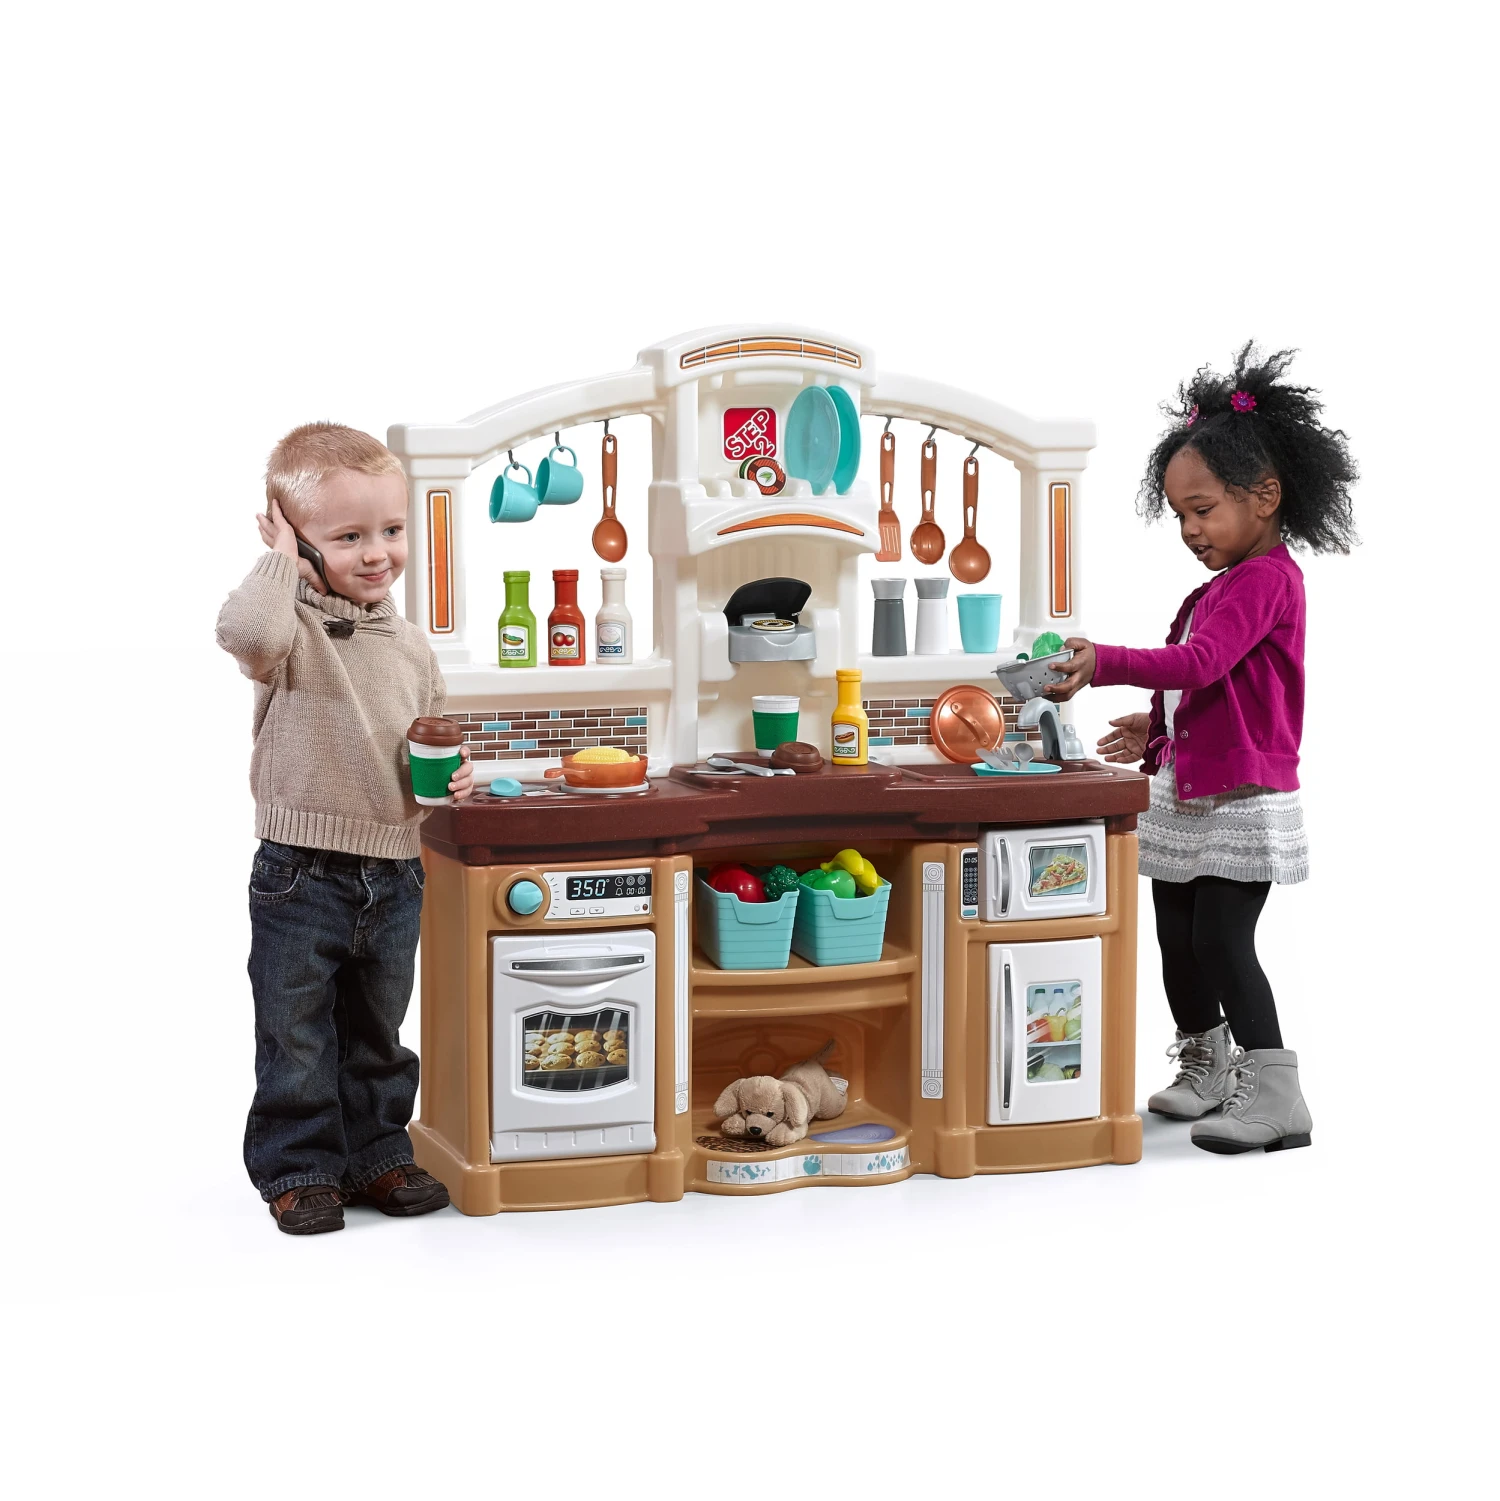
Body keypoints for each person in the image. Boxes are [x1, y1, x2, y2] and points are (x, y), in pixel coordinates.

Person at [1046, 345, 1357, 1154]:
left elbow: (1203, 663)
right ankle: (1208, 1067)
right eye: (1180, 514)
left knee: (1220, 939)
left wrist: (1106, 662)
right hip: (1191, 786)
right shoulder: (1222, 585)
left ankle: (1278, 1094)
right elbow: (1207, 689)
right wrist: (1155, 727)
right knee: (1177, 938)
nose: (1189, 529)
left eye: (1203, 509)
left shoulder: (1266, 579)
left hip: (1241, 796)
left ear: (1265, 496)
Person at [217, 422, 475, 1233]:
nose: (376, 553)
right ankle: (300, 1167)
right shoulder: (287, 625)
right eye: (347, 536)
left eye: (391, 530)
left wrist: (455, 776)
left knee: (378, 1030)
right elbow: (244, 633)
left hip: (394, 869)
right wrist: (279, 561)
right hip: (301, 871)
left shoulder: (409, 644)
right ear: (297, 540)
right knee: (295, 1032)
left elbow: (429, 732)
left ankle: (377, 1152)